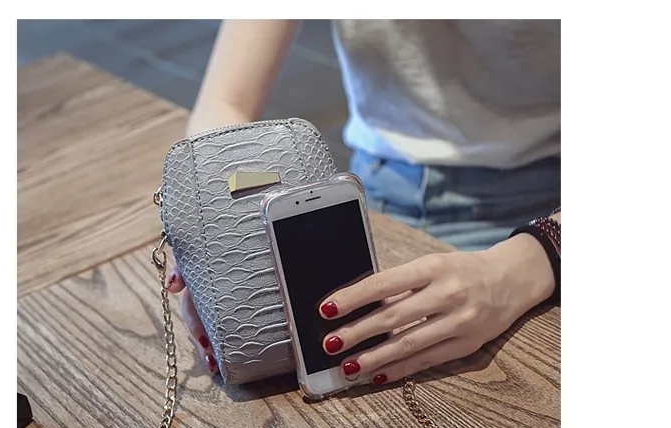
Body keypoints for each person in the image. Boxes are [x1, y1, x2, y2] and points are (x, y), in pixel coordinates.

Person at [166, 19, 561, 384]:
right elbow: (225, 102)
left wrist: (528, 262)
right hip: (362, 199)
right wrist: (219, 217)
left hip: (537, 208)